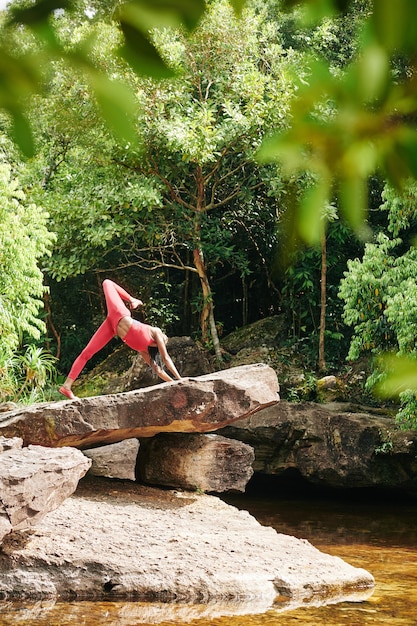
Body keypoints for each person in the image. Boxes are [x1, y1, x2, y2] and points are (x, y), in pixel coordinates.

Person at [59, 279, 182, 399]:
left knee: (107, 282)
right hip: (118, 319)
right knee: (86, 353)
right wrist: (177, 382)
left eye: (166, 338)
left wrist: (177, 381)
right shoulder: (150, 338)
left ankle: (66, 386)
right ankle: (67, 386)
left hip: (115, 321)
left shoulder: (153, 338)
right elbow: (160, 368)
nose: (167, 337)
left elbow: (163, 362)